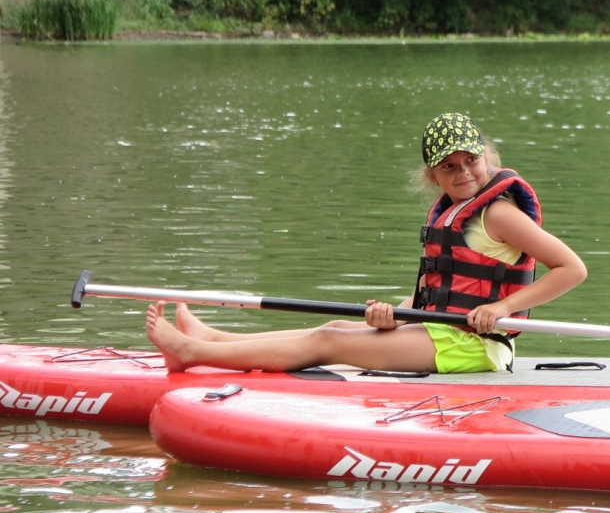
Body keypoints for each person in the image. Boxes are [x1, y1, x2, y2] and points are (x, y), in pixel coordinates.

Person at [145, 112, 587, 374]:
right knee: (340, 328)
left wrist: (503, 309)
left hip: (474, 346)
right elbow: (440, 284)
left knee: (327, 342)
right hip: (439, 331)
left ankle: (191, 353)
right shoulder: (451, 211)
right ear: (432, 175)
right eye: (448, 167)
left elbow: (572, 269)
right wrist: (394, 314)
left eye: (471, 161)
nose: (463, 172)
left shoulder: (500, 213)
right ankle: (218, 338)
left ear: (487, 157)